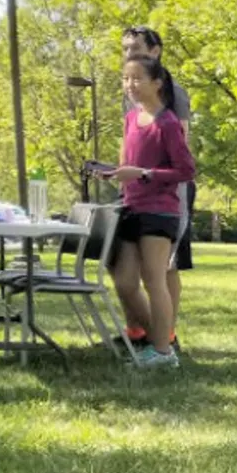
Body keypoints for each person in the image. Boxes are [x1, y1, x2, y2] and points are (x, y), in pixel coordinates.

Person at [102, 55, 195, 368]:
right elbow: (129, 164)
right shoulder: (130, 119)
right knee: (125, 280)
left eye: (137, 79)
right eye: (126, 79)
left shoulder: (167, 123)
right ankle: (156, 338)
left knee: (154, 279)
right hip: (130, 208)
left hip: (159, 212)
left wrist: (143, 173)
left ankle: (163, 352)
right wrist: (114, 173)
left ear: (157, 83)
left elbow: (185, 169)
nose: (130, 85)